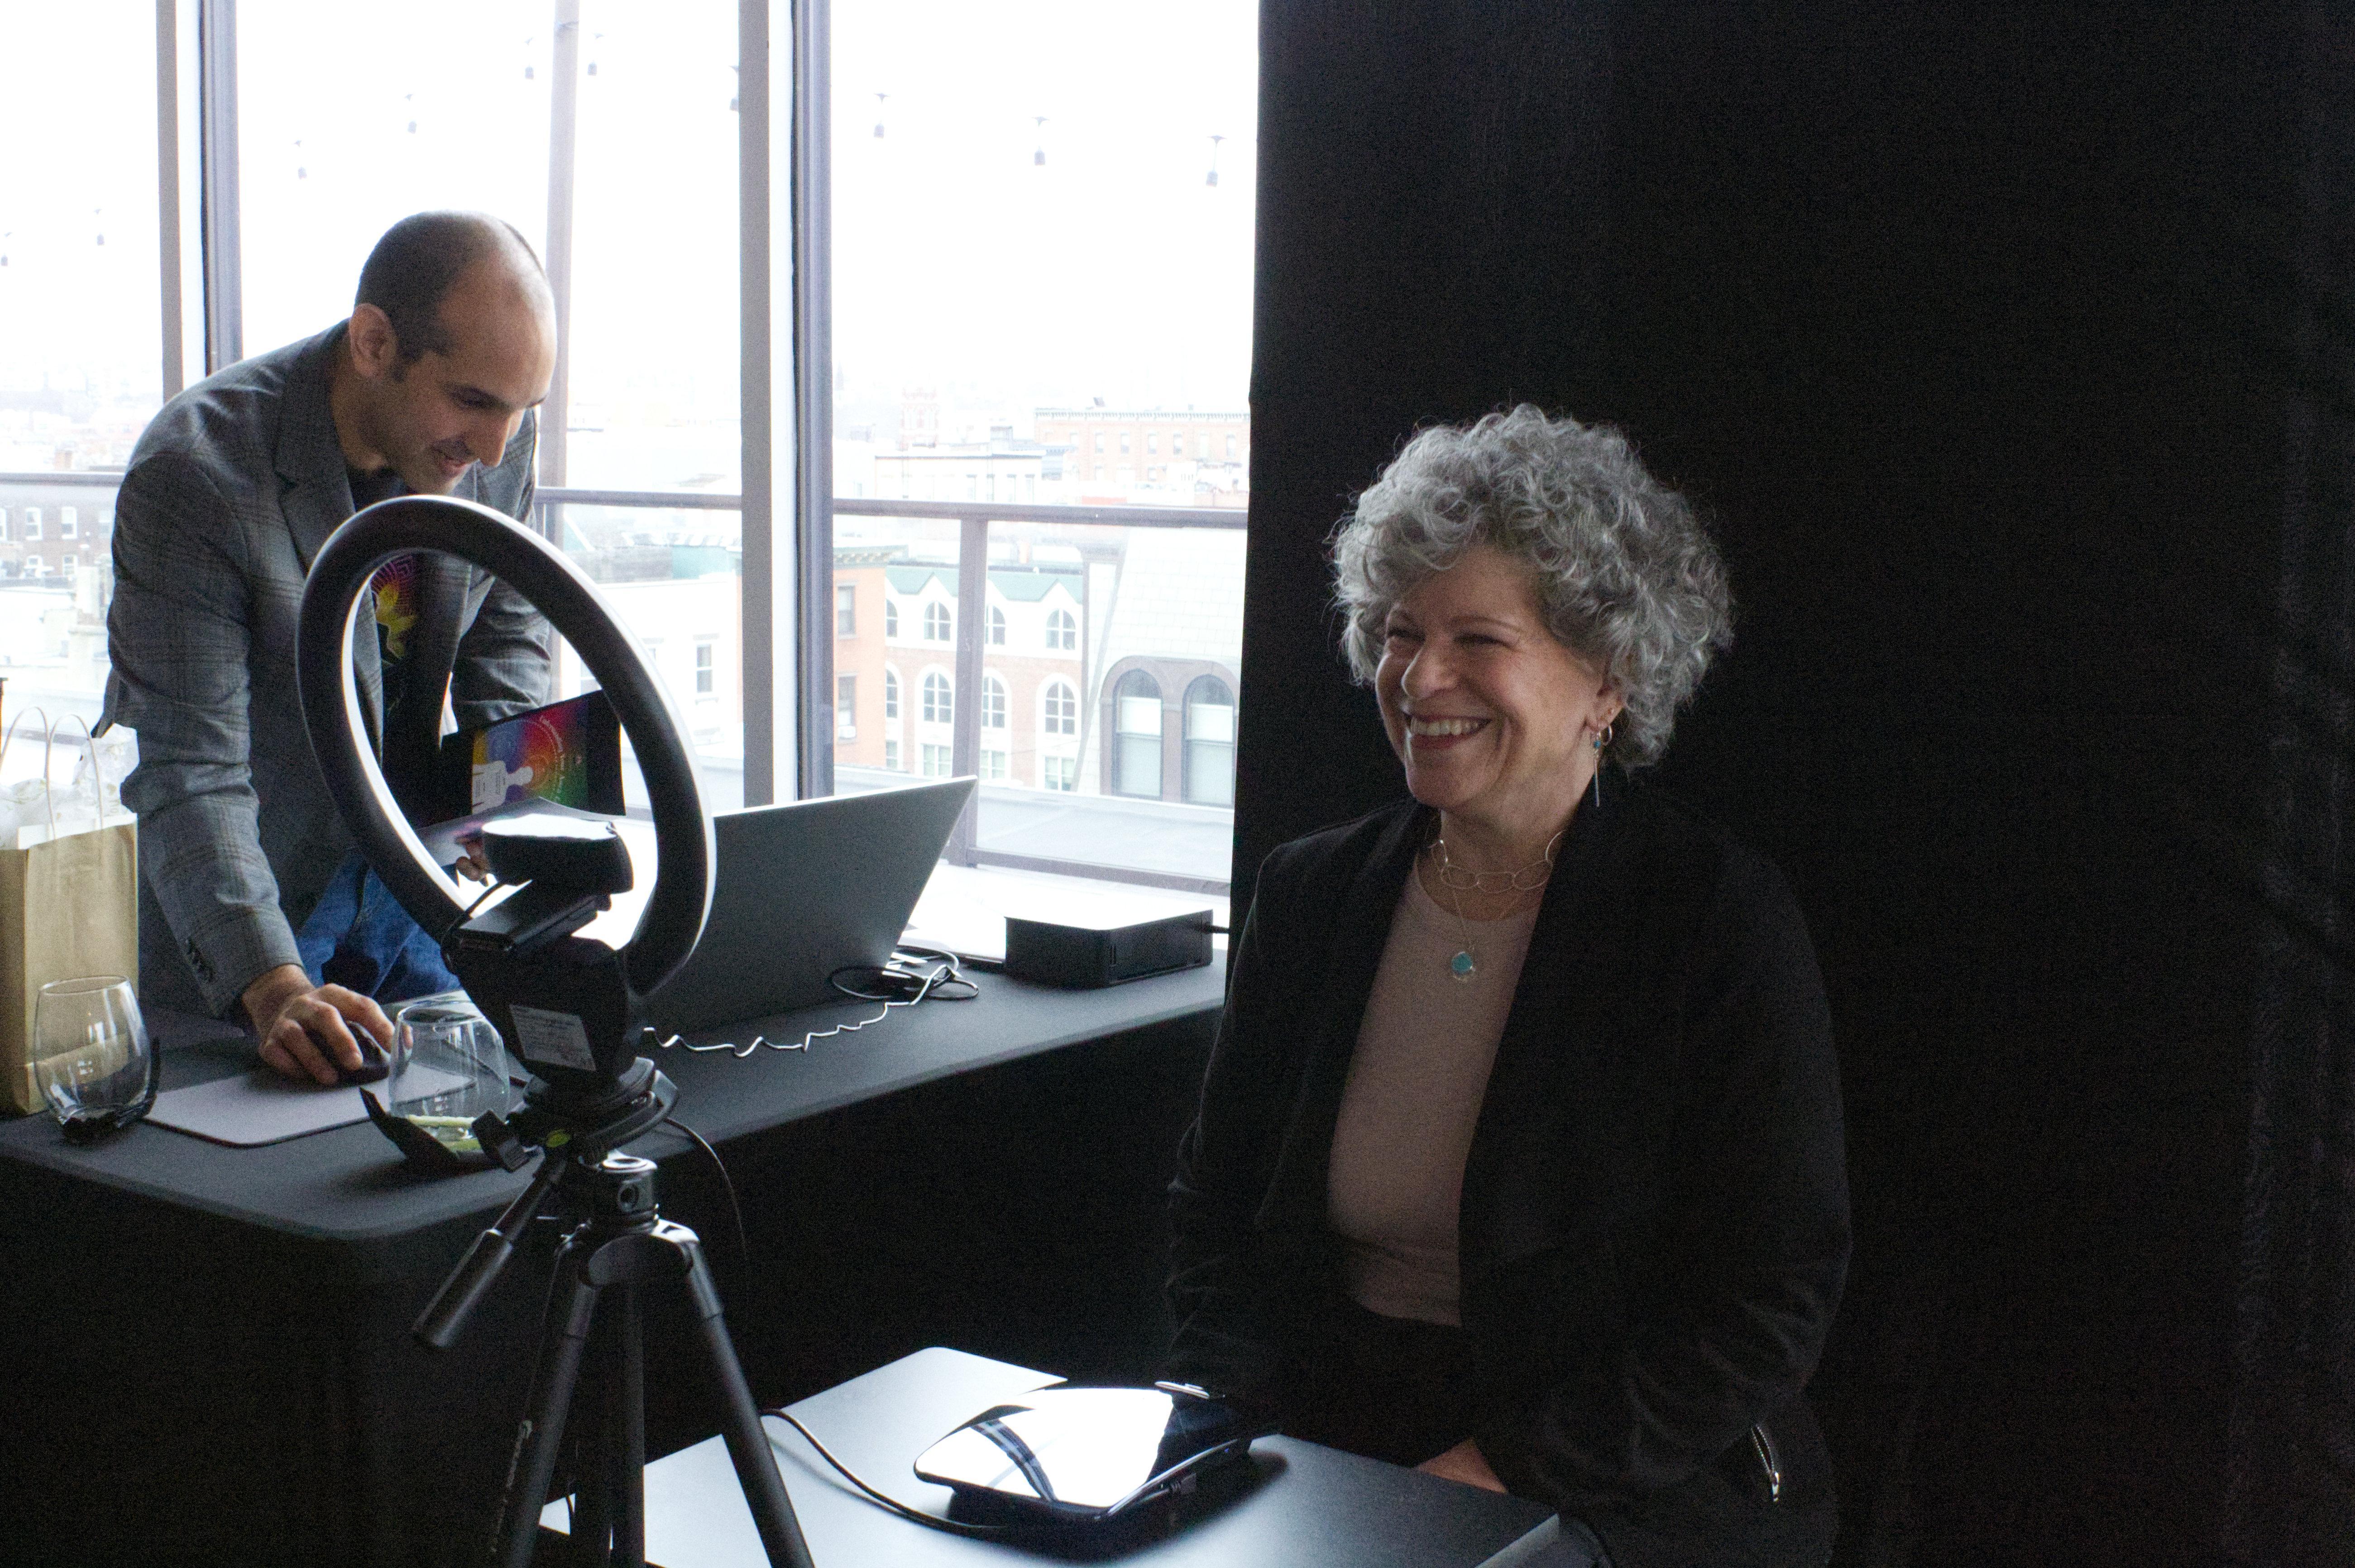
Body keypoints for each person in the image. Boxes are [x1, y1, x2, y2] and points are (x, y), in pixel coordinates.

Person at [1163, 406, 1850, 1568]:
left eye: (1478, 638)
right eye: (1399, 632)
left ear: (1609, 680)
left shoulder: (1714, 920)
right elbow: (1216, 1213)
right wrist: (1217, 1422)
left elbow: (1767, 1302)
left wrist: (1492, 1476)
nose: (1419, 677)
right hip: (1335, 1431)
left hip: (1618, 1464)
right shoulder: (1312, 892)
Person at [102, 212, 558, 1086]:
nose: (496, 448)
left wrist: (509, 813)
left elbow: (504, 638)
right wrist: (272, 986)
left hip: (417, 896)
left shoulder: (493, 438)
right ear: (375, 343)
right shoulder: (195, 474)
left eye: (520, 411)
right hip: (258, 920)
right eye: (472, 402)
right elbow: (191, 770)